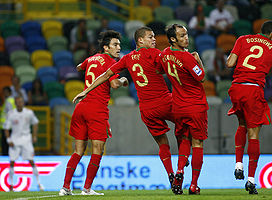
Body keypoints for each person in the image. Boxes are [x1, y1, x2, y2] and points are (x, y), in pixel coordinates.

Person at [73, 27, 182, 188]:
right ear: (140, 40)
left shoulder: (127, 58)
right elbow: (168, 68)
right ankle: (181, 166)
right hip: (165, 101)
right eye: (150, 37)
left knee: (162, 143)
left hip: (146, 109)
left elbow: (102, 74)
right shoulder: (155, 53)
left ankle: (170, 174)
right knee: (185, 125)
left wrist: (86, 90)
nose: (154, 39)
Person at [226, 21, 272, 195]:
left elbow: (230, 63)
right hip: (253, 89)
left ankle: (238, 165)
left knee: (242, 125)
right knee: (254, 133)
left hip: (236, 88)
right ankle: (251, 180)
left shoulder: (242, 39)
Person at [59, 30, 128, 196]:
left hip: (81, 108)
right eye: (115, 45)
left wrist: (89, 65)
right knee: (97, 149)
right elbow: (114, 85)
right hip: (96, 109)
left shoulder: (91, 58)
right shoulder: (111, 62)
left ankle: (65, 187)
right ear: (106, 47)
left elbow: (79, 67)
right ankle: (87, 189)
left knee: (78, 151)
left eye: (119, 45)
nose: (118, 48)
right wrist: (124, 80)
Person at [159, 24, 208, 195]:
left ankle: (179, 171)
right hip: (195, 105)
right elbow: (201, 77)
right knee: (198, 143)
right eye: (181, 36)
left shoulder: (165, 54)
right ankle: (193, 185)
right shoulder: (187, 58)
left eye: (186, 34)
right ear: (173, 39)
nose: (186, 38)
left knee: (184, 139)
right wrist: (198, 60)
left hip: (178, 106)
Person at [3, 96, 43, 191]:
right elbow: (6, 128)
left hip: (26, 140)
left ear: (23, 102)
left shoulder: (29, 113)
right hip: (15, 140)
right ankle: (11, 185)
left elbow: (35, 123)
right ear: (16, 103)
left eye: (21, 102)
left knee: (31, 161)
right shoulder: (11, 114)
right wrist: (9, 140)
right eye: (17, 102)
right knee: (12, 162)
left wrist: (34, 136)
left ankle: (39, 183)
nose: (19, 103)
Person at [0, 87, 15, 155]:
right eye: (4, 92)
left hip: (7, 126)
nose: (4, 94)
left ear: (10, 93)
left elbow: (10, 113)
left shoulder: (9, 101)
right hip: (7, 126)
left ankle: (6, 158)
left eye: (6, 92)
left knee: (6, 145)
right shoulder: (10, 100)